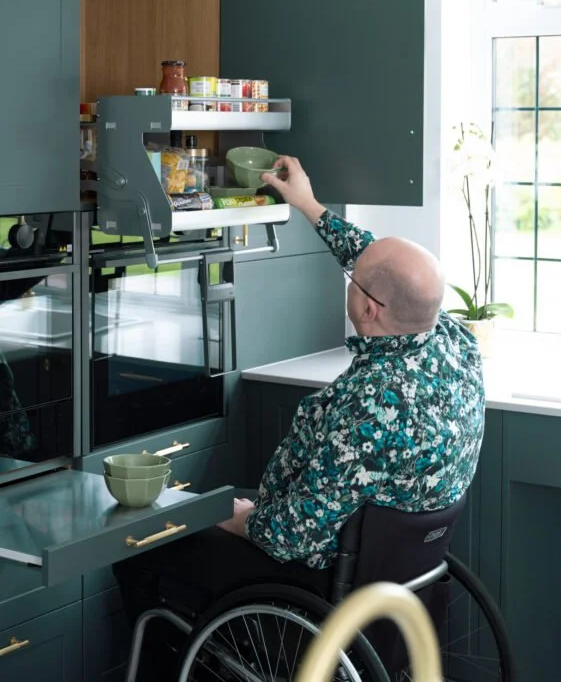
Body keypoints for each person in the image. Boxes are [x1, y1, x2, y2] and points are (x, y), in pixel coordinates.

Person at [114, 156, 485, 679]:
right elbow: (385, 271)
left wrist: (233, 516)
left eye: (354, 280)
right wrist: (308, 205)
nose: (350, 277)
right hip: (393, 573)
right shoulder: (453, 341)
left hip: (312, 576)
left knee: (143, 544)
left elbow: (289, 536)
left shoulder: (371, 403)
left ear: (370, 309)